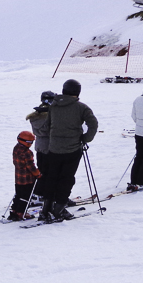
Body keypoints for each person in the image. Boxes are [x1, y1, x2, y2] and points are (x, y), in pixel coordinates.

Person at [41, 80, 98, 223]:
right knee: (66, 178)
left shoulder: (54, 106)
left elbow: (47, 125)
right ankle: (58, 208)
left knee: (52, 177)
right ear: (78, 92)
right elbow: (93, 124)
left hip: (54, 148)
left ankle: (45, 209)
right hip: (72, 148)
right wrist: (85, 138)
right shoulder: (81, 107)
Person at [25, 91, 55, 202]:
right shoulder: (50, 115)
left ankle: (38, 193)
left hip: (40, 146)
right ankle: (45, 195)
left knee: (41, 171)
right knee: (49, 172)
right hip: (50, 147)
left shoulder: (36, 116)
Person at [9, 131, 40, 221]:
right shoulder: (27, 152)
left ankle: (14, 210)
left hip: (18, 178)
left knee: (18, 194)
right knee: (26, 196)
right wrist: (37, 174)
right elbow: (31, 166)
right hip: (27, 179)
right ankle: (21, 212)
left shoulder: (16, 148)